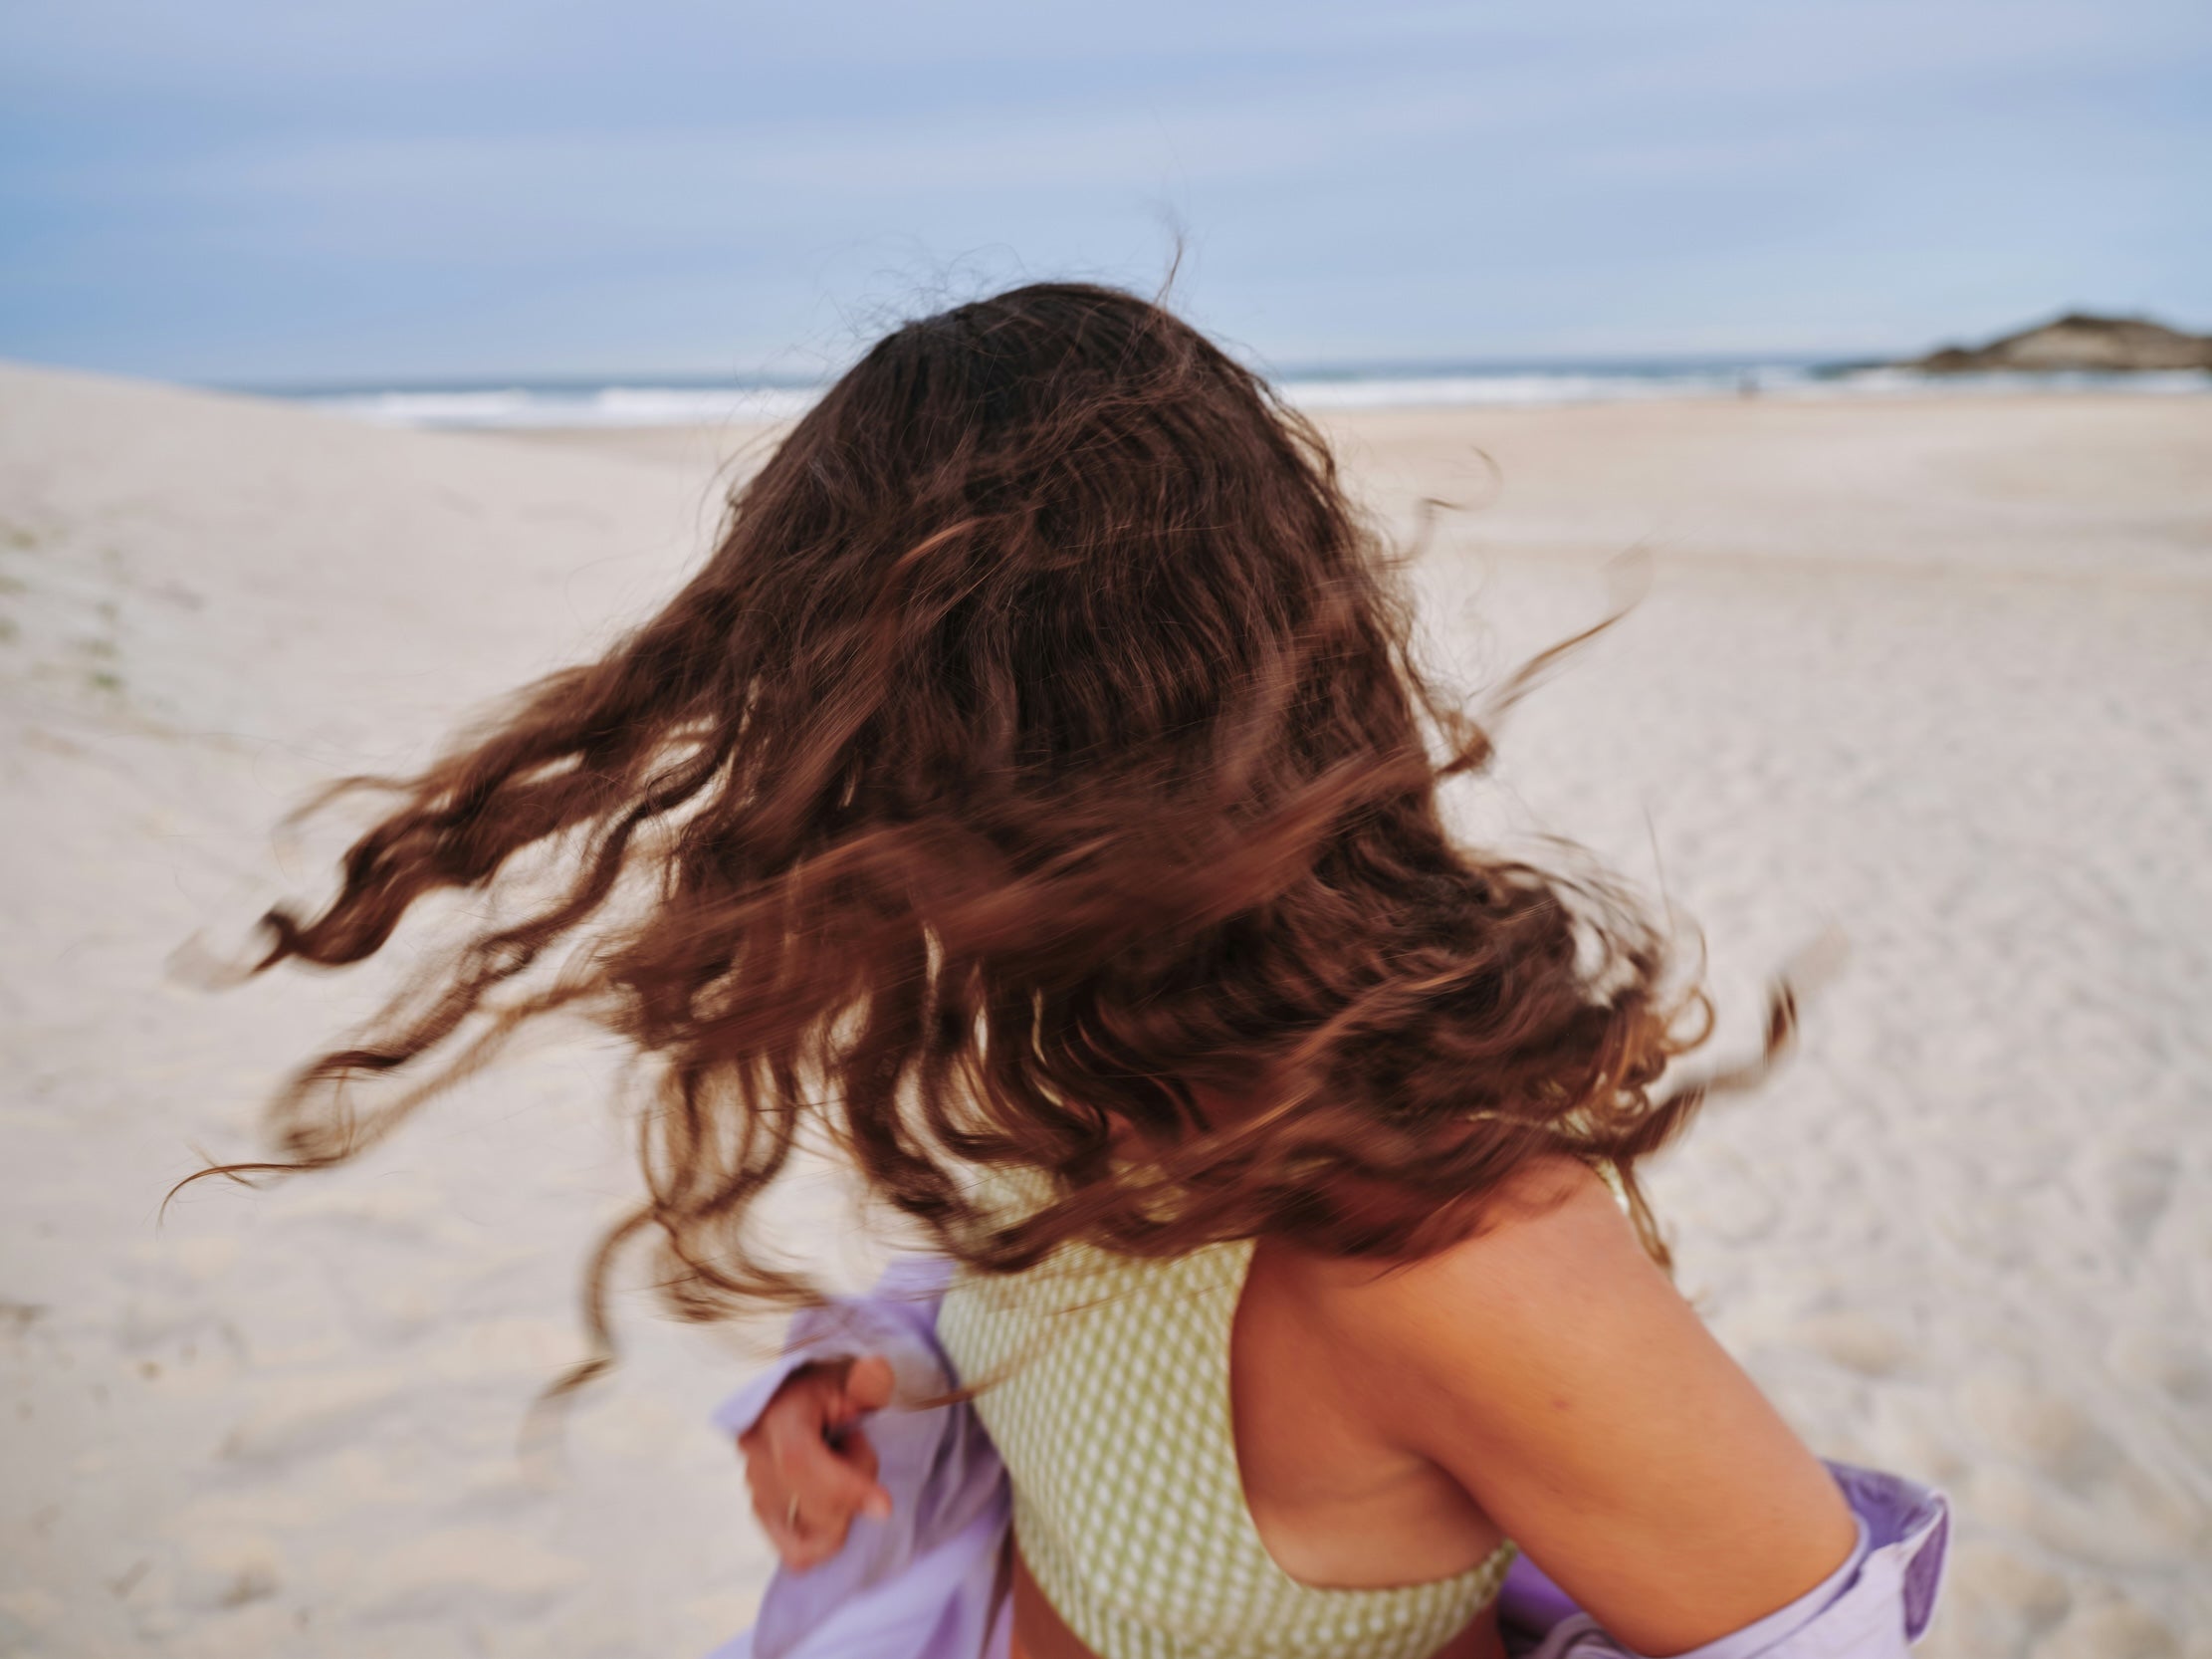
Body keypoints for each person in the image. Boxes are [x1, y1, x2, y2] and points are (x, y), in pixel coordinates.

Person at [213, 283, 1943, 1658]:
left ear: (1011, 759)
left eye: (845, 748)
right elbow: (1098, 1346)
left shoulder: (1452, 1252)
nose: (807, 814)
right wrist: (881, 1373)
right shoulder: (1064, 1072)